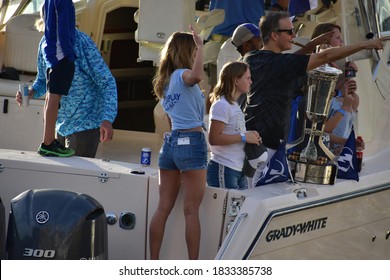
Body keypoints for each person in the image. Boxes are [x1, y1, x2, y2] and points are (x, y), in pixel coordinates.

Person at [243, 11, 388, 187]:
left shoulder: (253, 58)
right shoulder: (277, 63)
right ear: (274, 35)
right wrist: (367, 44)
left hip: (260, 146)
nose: (294, 35)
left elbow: (292, 61)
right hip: (261, 150)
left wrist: (313, 43)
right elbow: (324, 57)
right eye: (289, 32)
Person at [16, 4, 117, 158]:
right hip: (60, 127)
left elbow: (107, 81)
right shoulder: (45, 44)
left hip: (85, 125)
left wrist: (107, 118)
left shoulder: (82, 42)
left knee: (76, 180)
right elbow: (43, 81)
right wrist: (31, 92)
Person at [149, 26, 207, 260]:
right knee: (191, 211)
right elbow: (197, 76)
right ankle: (193, 267)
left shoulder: (164, 82)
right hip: (191, 142)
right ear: (187, 51)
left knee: (163, 208)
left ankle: (152, 263)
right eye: (193, 50)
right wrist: (202, 46)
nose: (195, 53)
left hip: (171, 143)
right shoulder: (184, 75)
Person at [207, 61, 261, 189]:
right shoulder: (222, 105)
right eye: (248, 78)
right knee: (224, 209)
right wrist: (244, 137)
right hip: (224, 168)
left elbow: (233, 132)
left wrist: (250, 135)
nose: (251, 82)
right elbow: (214, 138)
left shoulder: (233, 105)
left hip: (238, 169)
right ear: (236, 80)